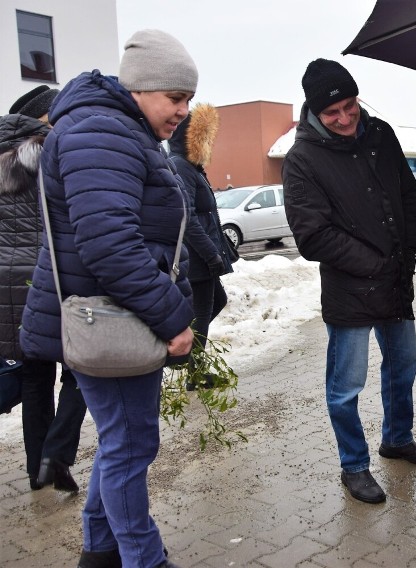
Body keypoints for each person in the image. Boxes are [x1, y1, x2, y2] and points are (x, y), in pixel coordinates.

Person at [19, 29, 197, 568]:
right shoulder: (106, 131)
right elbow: (110, 246)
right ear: (141, 88)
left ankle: (99, 550)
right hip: (113, 319)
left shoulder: (113, 128)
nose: (183, 112)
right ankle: (142, 558)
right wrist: (173, 320)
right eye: (175, 98)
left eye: (188, 99)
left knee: (123, 443)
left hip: (113, 316)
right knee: (130, 448)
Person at [282, 58, 416, 504]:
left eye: (350, 105)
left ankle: (397, 439)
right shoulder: (302, 159)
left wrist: (409, 250)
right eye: (333, 112)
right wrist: (374, 263)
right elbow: (312, 236)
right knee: (346, 385)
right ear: (316, 112)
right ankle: (354, 465)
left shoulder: (381, 134)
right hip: (351, 290)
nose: (345, 118)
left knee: (403, 366)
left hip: (395, 281)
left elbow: (406, 193)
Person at [1, 85, 88, 492]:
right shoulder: (57, 151)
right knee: (80, 370)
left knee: (35, 378)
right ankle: (58, 455)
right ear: (42, 119)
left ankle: (38, 468)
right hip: (53, 278)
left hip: (9, 287)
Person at [168, 102, 232, 390]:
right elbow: (188, 217)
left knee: (215, 303)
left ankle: (191, 360)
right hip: (196, 260)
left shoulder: (192, 167)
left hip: (202, 257)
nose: (208, 142)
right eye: (202, 137)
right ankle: (193, 371)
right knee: (202, 313)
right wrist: (211, 253)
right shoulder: (181, 166)